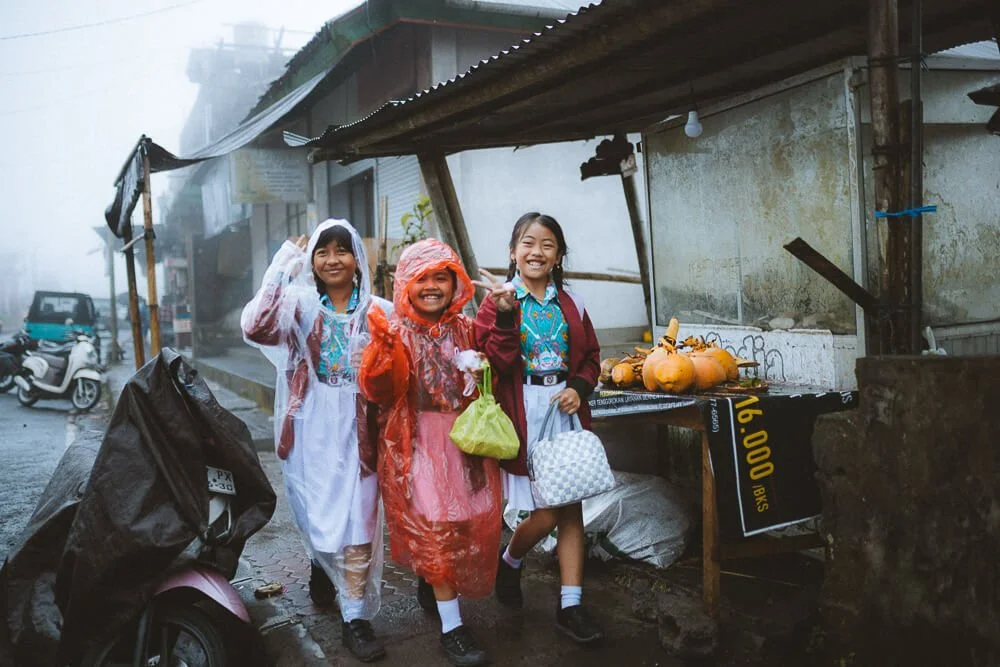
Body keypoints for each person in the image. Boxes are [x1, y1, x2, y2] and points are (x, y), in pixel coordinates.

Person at [241, 219, 389, 662]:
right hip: (311, 425)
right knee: (319, 517)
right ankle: (323, 563)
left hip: (363, 427)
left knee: (362, 517)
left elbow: (400, 367)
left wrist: (380, 361)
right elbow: (256, 326)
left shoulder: (379, 311)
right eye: (322, 251)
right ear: (312, 260)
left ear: (357, 260)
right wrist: (281, 264)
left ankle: (356, 617)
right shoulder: (300, 306)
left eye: (342, 250)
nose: (332, 259)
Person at [358, 239, 501, 667]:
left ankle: (433, 579)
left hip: (464, 444)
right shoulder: (396, 331)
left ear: (457, 282)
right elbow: (379, 392)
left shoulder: (467, 328)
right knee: (436, 528)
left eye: (442, 276)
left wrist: (485, 362)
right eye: (423, 278)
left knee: (465, 522)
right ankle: (453, 627)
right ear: (406, 283)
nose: (433, 286)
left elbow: (501, 360)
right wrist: (382, 353)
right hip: (417, 444)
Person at [473, 212, 604, 644]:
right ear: (513, 252)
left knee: (571, 510)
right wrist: (506, 315)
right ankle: (509, 560)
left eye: (548, 244)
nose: (537, 251)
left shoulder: (573, 302)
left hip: (563, 407)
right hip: (524, 411)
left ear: (559, 255)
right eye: (528, 243)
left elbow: (591, 357)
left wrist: (580, 388)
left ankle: (571, 607)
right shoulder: (498, 301)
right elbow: (496, 363)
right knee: (545, 513)